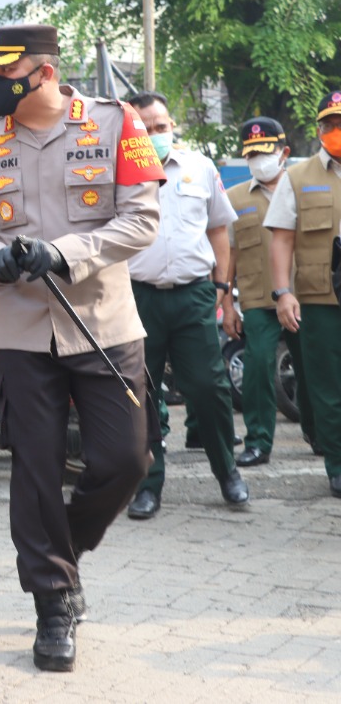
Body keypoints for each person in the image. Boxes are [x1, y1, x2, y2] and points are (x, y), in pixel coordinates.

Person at [0, 25, 164, 672]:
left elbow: (143, 219)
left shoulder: (115, 121)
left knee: (125, 458)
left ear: (40, 72)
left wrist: (63, 252)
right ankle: (52, 600)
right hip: (19, 332)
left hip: (103, 322)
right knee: (35, 465)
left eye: (1, 71)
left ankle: (60, 547)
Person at [122, 91, 247, 518]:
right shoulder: (116, 173)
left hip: (194, 293)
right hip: (138, 297)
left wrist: (220, 288)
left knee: (209, 388)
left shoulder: (200, 167)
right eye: (145, 127)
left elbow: (218, 232)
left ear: (172, 125)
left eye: (162, 126)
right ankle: (147, 486)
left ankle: (227, 472)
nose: (156, 134)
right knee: (141, 393)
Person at [223, 118, 315, 465]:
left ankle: (317, 432)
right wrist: (227, 305)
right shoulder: (233, 199)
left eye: (265, 153)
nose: (257, 160)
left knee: (311, 369)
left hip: (306, 297)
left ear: (284, 152)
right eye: (251, 154)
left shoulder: (304, 189)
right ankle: (258, 441)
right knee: (258, 367)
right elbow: (228, 256)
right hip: (259, 301)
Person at [265, 89, 341, 499]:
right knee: (327, 387)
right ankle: (338, 463)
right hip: (320, 299)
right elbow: (281, 240)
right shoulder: (298, 177)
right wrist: (283, 293)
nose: (337, 131)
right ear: (319, 130)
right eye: (330, 124)